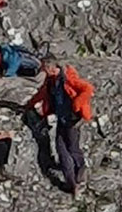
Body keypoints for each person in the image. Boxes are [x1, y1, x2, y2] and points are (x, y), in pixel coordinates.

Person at [26, 56, 95, 195]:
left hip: (73, 120)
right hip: (62, 119)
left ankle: (81, 173)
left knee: (72, 148)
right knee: (61, 149)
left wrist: (77, 104)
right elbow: (42, 93)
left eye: (44, 69)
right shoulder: (51, 81)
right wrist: (29, 104)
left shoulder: (68, 78)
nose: (43, 72)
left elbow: (88, 89)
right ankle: (72, 183)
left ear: (51, 68)